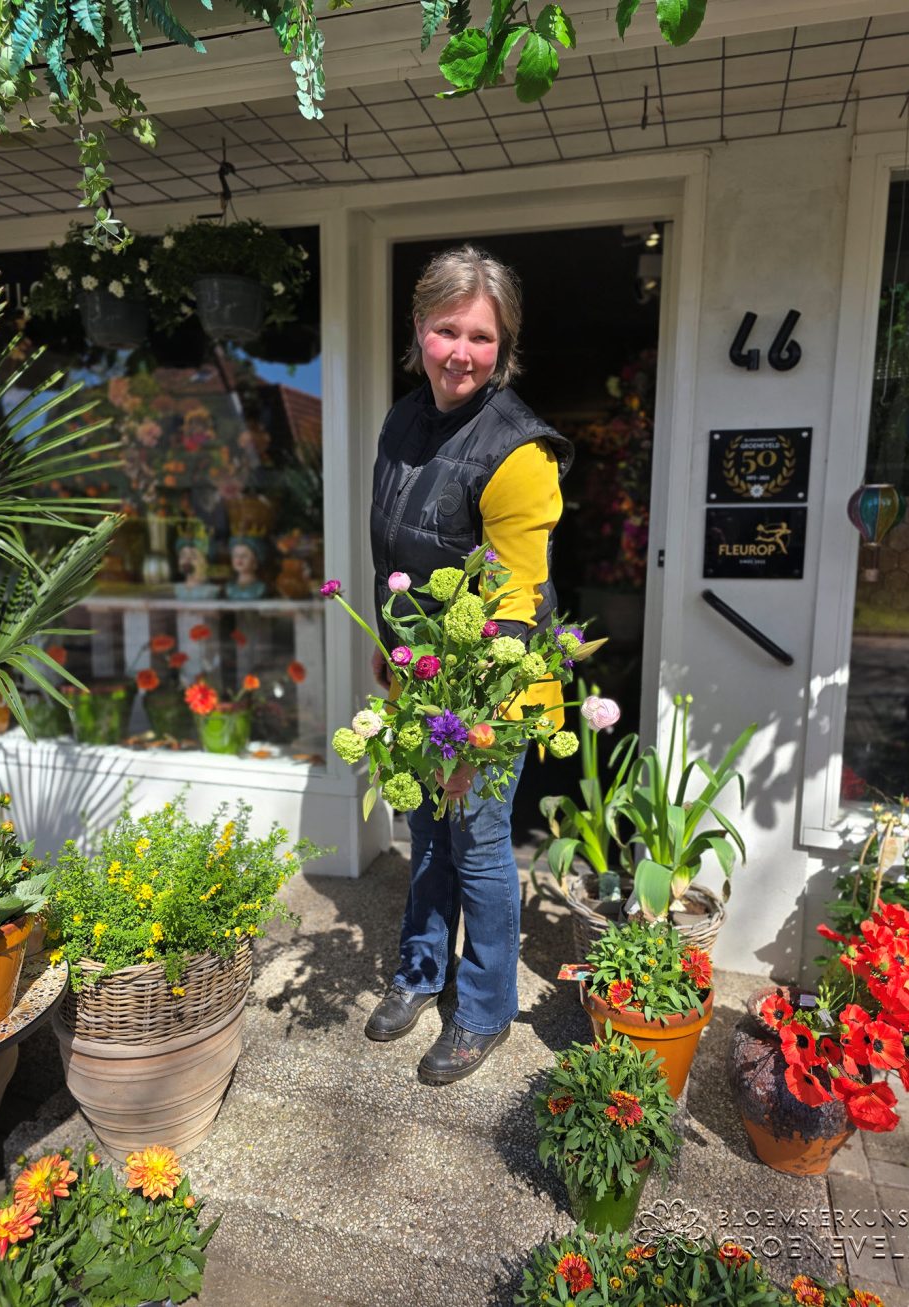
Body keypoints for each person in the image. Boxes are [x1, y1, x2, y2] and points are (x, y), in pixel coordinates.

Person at [365, 245, 574, 1084]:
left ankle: (485, 1009)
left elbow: (514, 612)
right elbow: (392, 563)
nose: (461, 351)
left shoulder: (519, 453)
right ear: (418, 330)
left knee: (480, 844)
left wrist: (472, 731)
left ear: (505, 345)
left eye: (481, 337)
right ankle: (421, 969)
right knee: (424, 833)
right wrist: (391, 664)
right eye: (446, 329)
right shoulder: (402, 419)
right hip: (420, 682)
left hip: (489, 692)